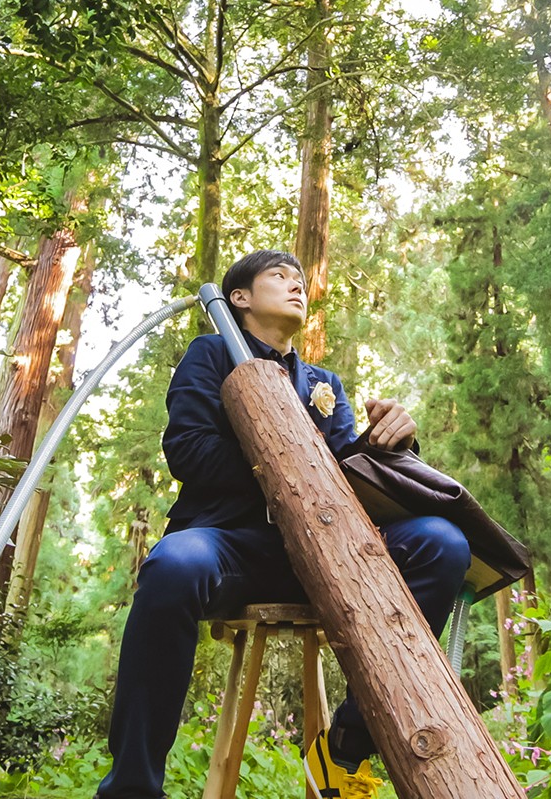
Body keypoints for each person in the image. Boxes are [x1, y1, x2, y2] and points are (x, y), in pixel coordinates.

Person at [94, 250, 472, 799]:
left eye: (300, 279)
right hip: (234, 545)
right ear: (239, 298)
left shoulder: (324, 383)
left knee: (441, 542)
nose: (297, 285)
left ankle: (343, 746)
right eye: (279, 277)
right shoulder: (209, 354)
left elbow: (349, 474)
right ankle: (131, 786)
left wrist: (393, 440)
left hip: (328, 548)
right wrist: (288, 465)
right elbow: (189, 450)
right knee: (173, 564)